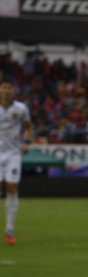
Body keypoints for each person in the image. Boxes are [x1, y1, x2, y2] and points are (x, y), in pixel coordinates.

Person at [0, 79, 32, 246]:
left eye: (9, 88)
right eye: (4, 87)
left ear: (13, 90)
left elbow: (28, 127)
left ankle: (10, 228)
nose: (6, 90)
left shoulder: (21, 108)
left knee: (12, 188)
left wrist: (27, 142)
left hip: (13, 154)